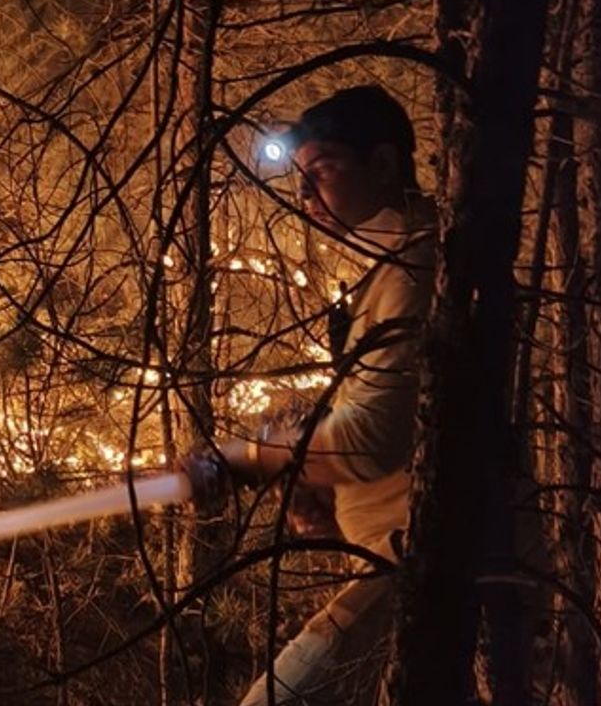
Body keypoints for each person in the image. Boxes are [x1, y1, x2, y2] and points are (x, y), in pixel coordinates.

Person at [183, 85, 436, 705]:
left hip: (421, 556)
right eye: (300, 179)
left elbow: (371, 440)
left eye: (321, 172)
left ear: (382, 163)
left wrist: (248, 456)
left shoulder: (416, 271)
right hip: (389, 554)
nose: (305, 198)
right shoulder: (393, 266)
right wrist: (323, 487)